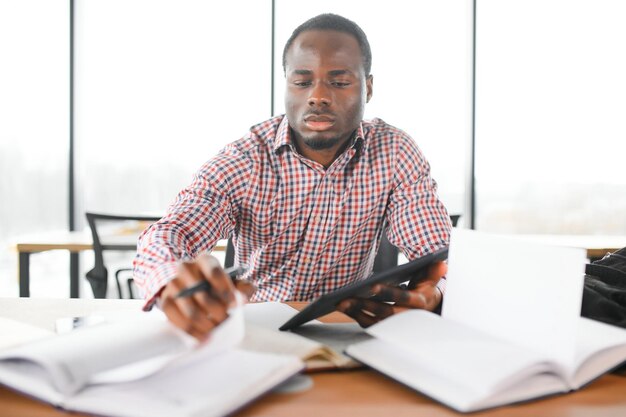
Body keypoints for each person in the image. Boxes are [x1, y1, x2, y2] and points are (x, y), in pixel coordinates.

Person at [133, 13, 451, 340]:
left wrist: (434, 290)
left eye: (339, 82)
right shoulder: (246, 158)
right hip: (253, 334)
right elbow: (170, 232)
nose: (318, 96)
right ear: (286, 84)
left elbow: (440, 253)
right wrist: (171, 279)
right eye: (301, 82)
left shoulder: (394, 152)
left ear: (368, 88)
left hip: (347, 334)